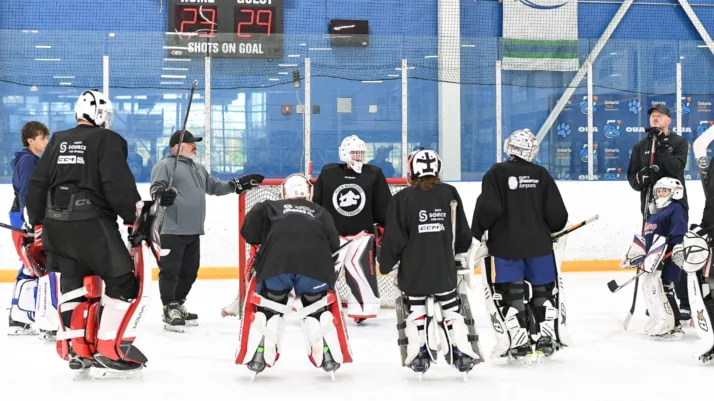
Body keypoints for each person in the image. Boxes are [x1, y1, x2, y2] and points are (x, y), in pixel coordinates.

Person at [25, 89, 149, 373]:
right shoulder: (108, 140)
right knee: (122, 281)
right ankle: (107, 347)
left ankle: (75, 348)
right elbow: (116, 184)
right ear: (102, 115)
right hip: (92, 226)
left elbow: (38, 183)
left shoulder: (57, 139)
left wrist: (36, 224)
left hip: (55, 227)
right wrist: (133, 219)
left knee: (73, 283)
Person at [235, 174, 351, 379]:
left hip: (275, 265)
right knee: (316, 309)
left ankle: (258, 354)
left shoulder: (267, 206)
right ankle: (327, 355)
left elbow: (249, 233)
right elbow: (334, 245)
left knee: (270, 308)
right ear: (308, 194)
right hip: (315, 268)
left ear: (284, 192)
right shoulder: (321, 211)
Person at [378, 149, 483, 376]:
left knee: (415, 309)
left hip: (413, 273)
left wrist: (384, 263)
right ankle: (459, 350)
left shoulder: (401, 199)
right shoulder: (449, 193)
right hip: (444, 270)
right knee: (451, 307)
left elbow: (394, 239)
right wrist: (459, 252)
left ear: (411, 171)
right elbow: (462, 233)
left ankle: (419, 353)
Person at [471, 128, 571, 363]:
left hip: (506, 248)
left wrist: (477, 232)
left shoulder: (496, 173)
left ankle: (519, 342)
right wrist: (552, 228)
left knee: (511, 294)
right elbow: (558, 215)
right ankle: (545, 337)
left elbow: (489, 208)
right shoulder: (541, 174)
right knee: (543, 292)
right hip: (540, 247)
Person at [150, 130, 264, 331]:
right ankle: (169, 308)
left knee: (190, 272)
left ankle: (177, 304)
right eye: (191, 143)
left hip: (193, 230)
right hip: (171, 229)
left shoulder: (198, 168)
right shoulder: (165, 166)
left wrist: (238, 184)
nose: (195, 146)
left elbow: (215, 188)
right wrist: (162, 194)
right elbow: (155, 189)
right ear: (177, 145)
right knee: (170, 272)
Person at [313, 135, 392, 322]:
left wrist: (385, 229)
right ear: (344, 153)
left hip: (362, 235)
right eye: (355, 153)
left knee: (361, 273)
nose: (359, 157)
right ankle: (315, 305)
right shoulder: (329, 172)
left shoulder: (373, 173)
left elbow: (383, 205)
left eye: (361, 153)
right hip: (333, 236)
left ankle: (362, 310)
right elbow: (318, 204)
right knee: (323, 273)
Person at [626, 104, 690, 321]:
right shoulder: (640, 146)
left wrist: (662, 148)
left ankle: (684, 303)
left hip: (674, 209)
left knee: (676, 254)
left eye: (659, 116)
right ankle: (659, 301)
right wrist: (642, 177)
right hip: (650, 210)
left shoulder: (678, 142)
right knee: (654, 257)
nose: (654, 119)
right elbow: (633, 179)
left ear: (668, 120)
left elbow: (677, 169)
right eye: (652, 116)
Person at [8, 121, 58, 338]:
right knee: (39, 265)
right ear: (31, 140)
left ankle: (20, 316)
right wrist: (32, 222)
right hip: (26, 219)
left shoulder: (33, 160)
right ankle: (46, 319)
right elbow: (29, 193)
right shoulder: (28, 161)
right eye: (42, 138)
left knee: (30, 267)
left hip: (25, 218)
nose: (46, 142)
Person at [620, 177, 687, 340]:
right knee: (651, 289)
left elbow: (678, 235)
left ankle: (675, 325)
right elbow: (647, 238)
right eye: (658, 190)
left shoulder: (675, 208)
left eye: (664, 190)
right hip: (652, 260)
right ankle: (658, 319)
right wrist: (637, 254)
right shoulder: (654, 214)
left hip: (667, 258)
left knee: (664, 288)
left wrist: (666, 254)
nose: (660, 193)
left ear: (674, 192)